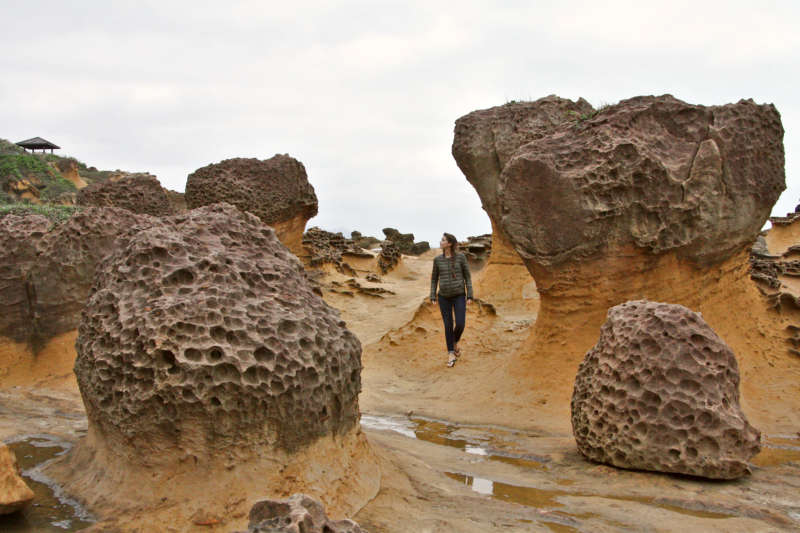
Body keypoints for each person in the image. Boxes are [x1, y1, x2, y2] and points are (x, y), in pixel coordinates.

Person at [430, 233, 473, 368]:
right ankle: (451, 354)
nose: (440, 242)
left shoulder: (461, 258)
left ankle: (454, 341)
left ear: (449, 243)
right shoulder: (437, 260)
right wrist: (433, 295)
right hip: (443, 297)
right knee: (448, 325)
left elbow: (467, 277)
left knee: (460, 323)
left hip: (459, 295)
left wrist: (470, 295)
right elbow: (434, 279)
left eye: (443, 240)